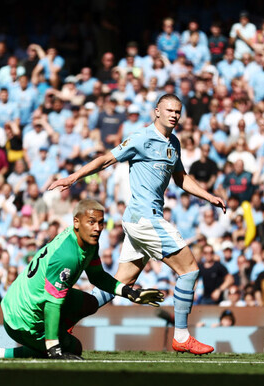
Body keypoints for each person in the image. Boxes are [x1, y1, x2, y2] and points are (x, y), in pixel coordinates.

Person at [49, 94, 226, 355]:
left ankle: (64, 322)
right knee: (189, 270)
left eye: (178, 111)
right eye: (169, 110)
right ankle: (181, 336)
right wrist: (74, 176)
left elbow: (181, 178)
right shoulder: (142, 137)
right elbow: (107, 159)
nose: (174, 115)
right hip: (145, 218)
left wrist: (209, 196)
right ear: (157, 111)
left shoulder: (173, 143)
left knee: (119, 284)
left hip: (140, 220)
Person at [0, 199, 164, 360]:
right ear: (76, 222)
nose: (97, 228)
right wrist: (54, 348)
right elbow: (51, 305)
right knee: (73, 348)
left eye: (101, 223)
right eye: (91, 222)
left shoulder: (87, 241)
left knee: (89, 303)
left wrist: (130, 292)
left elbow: (97, 276)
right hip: (23, 318)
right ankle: (11, 351)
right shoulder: (68, 256)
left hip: (30, 297)